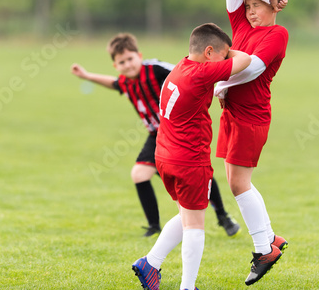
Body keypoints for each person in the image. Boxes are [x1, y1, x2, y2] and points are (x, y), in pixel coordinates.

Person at [71, 33, 241, 237]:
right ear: (116, 66)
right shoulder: (126, 81)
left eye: (130, 59)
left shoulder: (156, 70)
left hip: (179, 133)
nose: (127, 64)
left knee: (198, 175)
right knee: (139, 175)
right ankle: (153, 227)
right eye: (121, 62)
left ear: (139, 55)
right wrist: (87, 76)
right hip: (157, 136)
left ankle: (223, 216)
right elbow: (114, 83)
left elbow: (184, 72)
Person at [132, 23, 252, 290]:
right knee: (196, 226)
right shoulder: (201, 72)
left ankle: (150, 264)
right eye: (221, 55)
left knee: (187, 215)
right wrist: (230, 52)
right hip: (189, 159)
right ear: (209, 52)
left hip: (164, 155)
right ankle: (187, 288)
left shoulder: (180, 67)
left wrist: (221, 52)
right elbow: (245, 60)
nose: (224, 60)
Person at [213, 0, 289, 286]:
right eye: (247, 6)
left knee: (239, 184)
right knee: (233, 181)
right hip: (231, 114)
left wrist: (216, 84)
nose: (250, 12)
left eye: (256, 5)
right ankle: (271, 239)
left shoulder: (277, 34)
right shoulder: (242, 26)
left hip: (251, 118)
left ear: (272, 7)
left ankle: (264, 250)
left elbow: (254, 68)